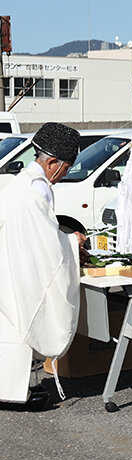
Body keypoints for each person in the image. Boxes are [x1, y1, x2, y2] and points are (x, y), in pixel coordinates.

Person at [0, 122, 83, 410]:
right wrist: (73, 242)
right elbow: (47, 243)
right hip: (23, 267)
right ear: (51, 162)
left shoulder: (18, 183)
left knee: (8, 329)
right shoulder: (39, 190)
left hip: (8, 263)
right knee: (22, 324)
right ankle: (15, 395)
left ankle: (11, 388)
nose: (66, 173)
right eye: (67, 167)